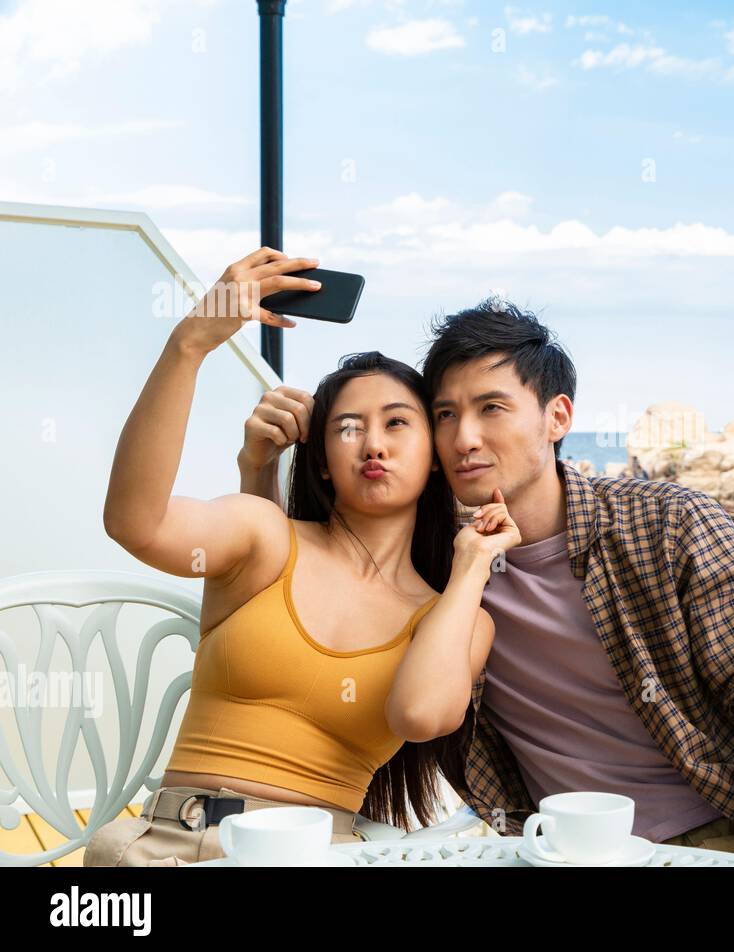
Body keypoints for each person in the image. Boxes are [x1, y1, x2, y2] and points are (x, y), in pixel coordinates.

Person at [241, 297, 734, 866]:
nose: (464, 437)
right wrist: (261, 468)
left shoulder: (666, 521)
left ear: (557, 417)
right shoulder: (437, 568)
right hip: (564, 847)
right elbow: (305, 586)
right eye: (443, 415)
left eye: (491, 408)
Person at [88, 248, 518, 865]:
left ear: (434, 456)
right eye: (347, 427)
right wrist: (190, 346)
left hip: (323, 857)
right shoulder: (264, 535)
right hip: (173, 845)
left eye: (398, 424)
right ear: (319, 458)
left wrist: (473, 562)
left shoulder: (457, 617)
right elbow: (135, 523)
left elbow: (421, 714)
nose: (372, 443)